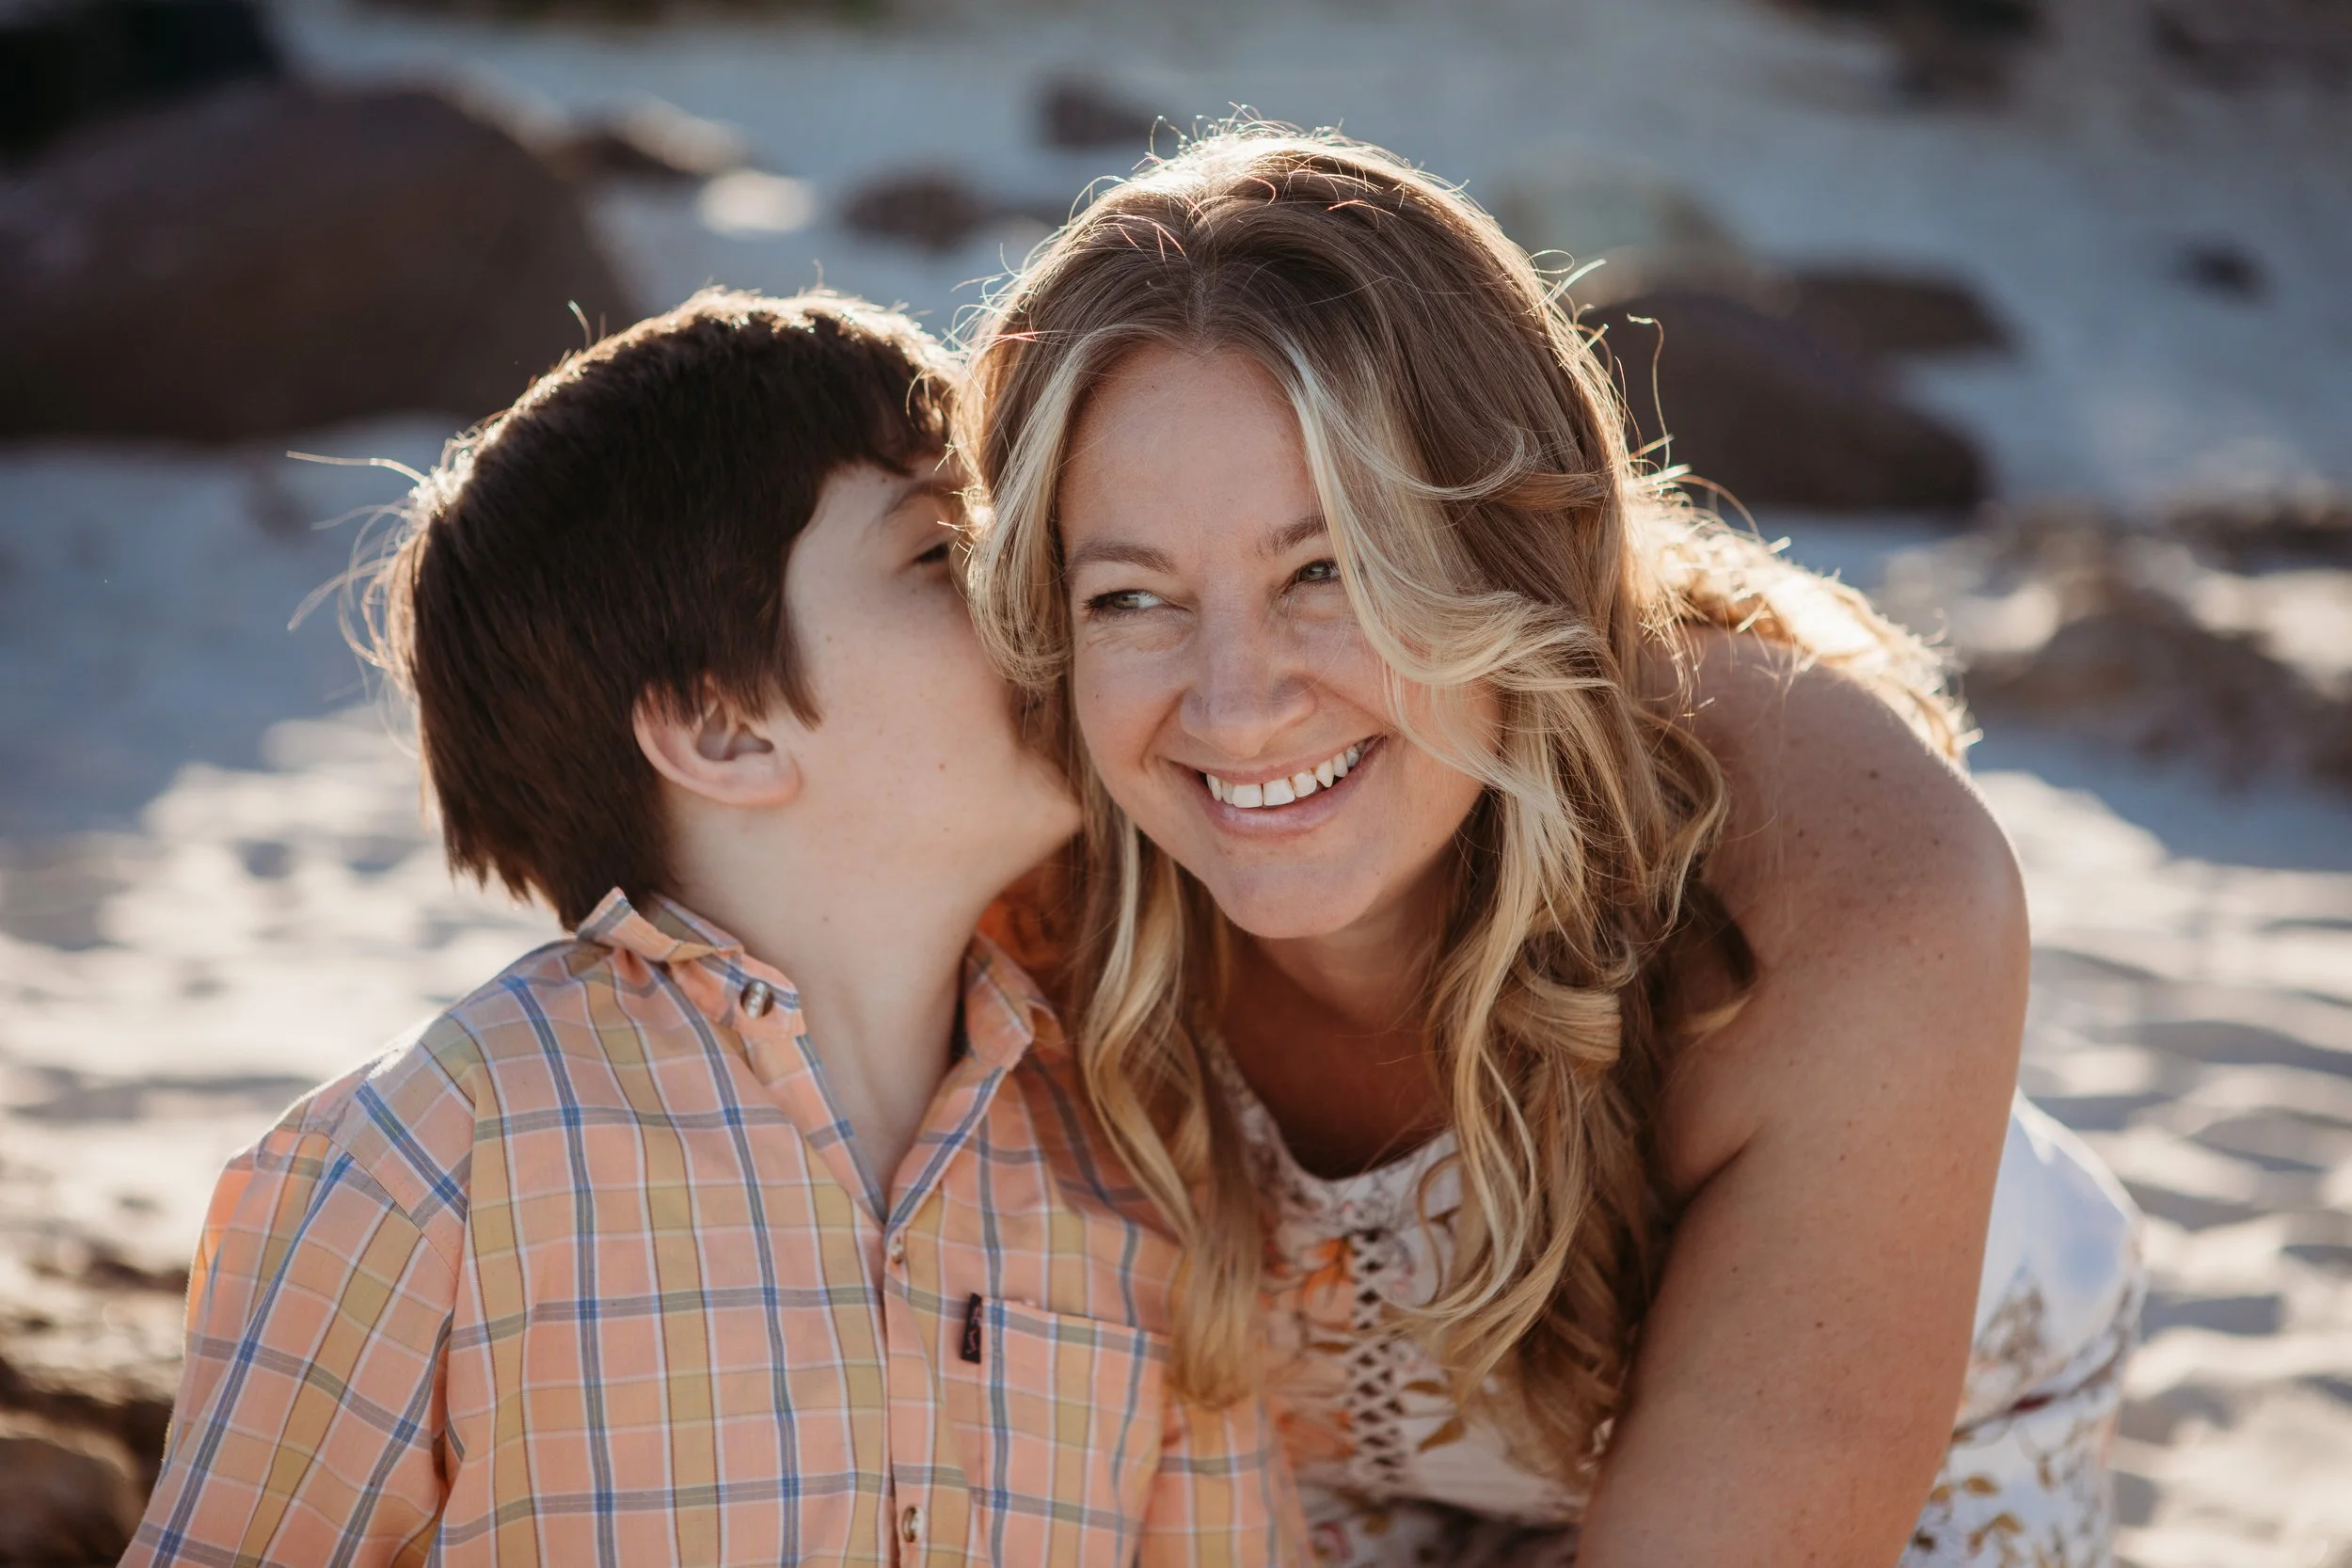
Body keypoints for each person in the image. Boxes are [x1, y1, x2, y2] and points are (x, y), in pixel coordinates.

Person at [960, 131, 2143, 1567]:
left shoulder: (1847, 883)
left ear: (1522, 554)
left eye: (1331, 568)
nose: (1235, 701)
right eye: (1133, 597)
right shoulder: (1013, 843)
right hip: (1347, 1499)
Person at [125, 290, 1300, 1567]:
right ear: (725, 728)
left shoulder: (1130, 1178)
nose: (1033, 589)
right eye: (939, 551)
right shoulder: (429, 1165)